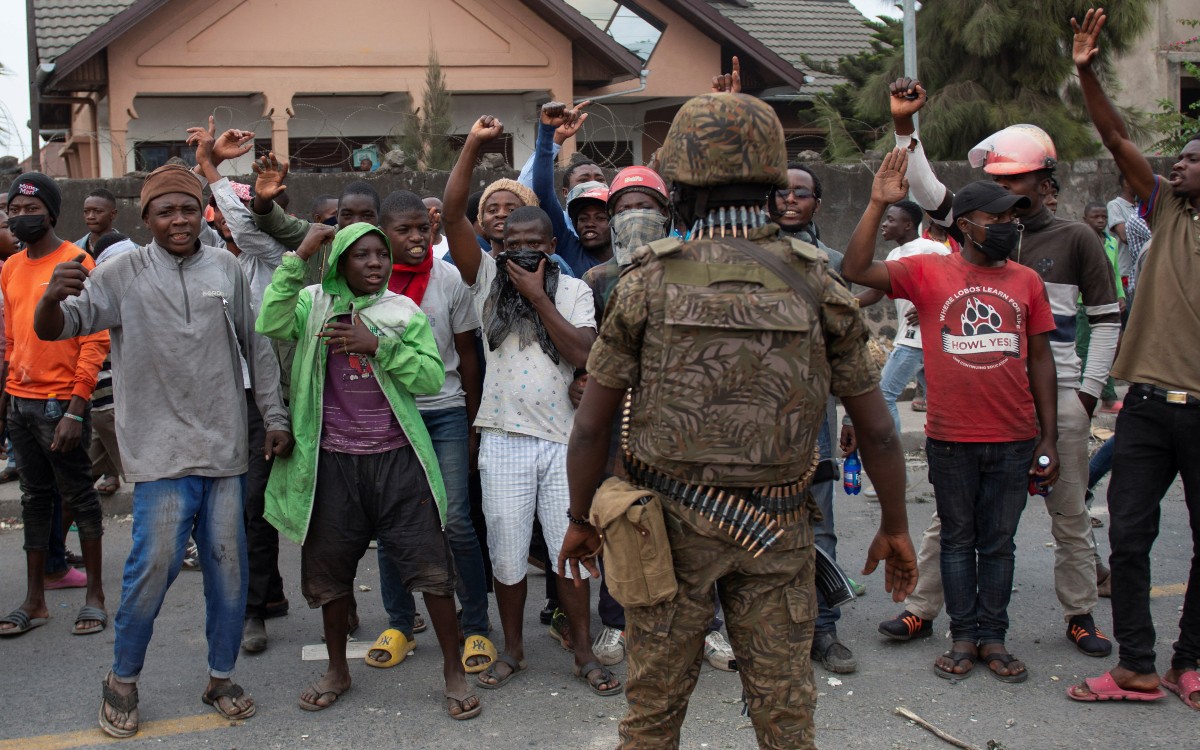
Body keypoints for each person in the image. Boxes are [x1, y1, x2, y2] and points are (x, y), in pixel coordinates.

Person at [560, 92, 917, 749]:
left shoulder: (645, 283)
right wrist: (895, 525)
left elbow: (588, 427)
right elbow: (878, 428)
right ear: (775, 182)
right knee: (786, 722)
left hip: (664, 528)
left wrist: (581, 520)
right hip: (776, 529)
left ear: (683, 188)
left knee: (651, 719)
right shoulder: (818, 282)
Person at [34, 163, 292, 737]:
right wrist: (51, 298)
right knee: (151, 570)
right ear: (145, 217)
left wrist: (274, 416)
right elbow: (59, 328)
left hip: (224, 448)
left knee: (229, 573)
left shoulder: (225, 267)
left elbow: (259, 347)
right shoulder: (119, 271)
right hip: (159, 452)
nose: (178, 220)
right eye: (164, 211)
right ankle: (122, 680)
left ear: (202, 211)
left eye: (186, 209)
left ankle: (220, 676)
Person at [877, 79, 1118, 659]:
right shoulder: (974, 225)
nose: (1008, 191)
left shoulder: (1077, 239)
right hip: (980, 398)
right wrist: (905, 128)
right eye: (1000, 181)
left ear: (1045, 182)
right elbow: (922, 183)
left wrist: (1084, 395)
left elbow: (1107, 319)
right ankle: (922, 610)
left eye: (1017, 181)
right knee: (951, 519)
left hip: (1055, 389)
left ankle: (1079, 613)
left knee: (1068, 511)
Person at [843, 152, 1059, 683]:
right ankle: (963, 636)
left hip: (1014, 438)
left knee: (1000, 544)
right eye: (1000, 218)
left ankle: (994, 638)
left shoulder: (1027, 280)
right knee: (959, 540)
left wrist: (1048, 435)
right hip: (950, 438)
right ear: (967, 225)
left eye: (1014, 218)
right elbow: (853, 269)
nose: (1010, 226)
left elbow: (1039, 359)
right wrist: (876, 204)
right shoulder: (926, 270)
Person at [255, 220, 480, 719]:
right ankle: (338, 669)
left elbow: (427, 377)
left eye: (381, 254)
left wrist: (376, 345)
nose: (375, 262)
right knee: (330, 574)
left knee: (432, 570)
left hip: (399, 460)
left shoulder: (402, 311)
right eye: (362, 255)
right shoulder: (313, 302)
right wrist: (298, 257)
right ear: (338, 261)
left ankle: (453, 671)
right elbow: (270, 322)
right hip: (332, 463)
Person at [443, 115, 614, 696]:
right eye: (513, 247)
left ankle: (584, 651)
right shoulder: (487, 281)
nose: (523, 256)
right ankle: (513, 650)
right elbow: (449, 216)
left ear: (552, 246)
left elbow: (586, 352)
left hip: (565, 445)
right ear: (497, 247)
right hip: (504, 442)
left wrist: (539, 296)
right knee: (509, 553)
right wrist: (472, 145)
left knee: (573, 553)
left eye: (536, 247)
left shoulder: (571, 288)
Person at [1067, 8, 1200, 708]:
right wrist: (1086, 72)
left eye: (1193, 157)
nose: (1180, 163)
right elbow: (1117, 136)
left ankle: (1192, 662)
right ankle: (1138, 667)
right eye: (1179, 158)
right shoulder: (1166, 208)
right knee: (1128, 539)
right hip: (1147, 404)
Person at [362, 190, 495, 679]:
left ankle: (476, 622)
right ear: (382, 232)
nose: (418, 238)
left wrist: (472, 421)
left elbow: (468, 356)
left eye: (424, 228)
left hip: (444, 413)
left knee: (456, 520)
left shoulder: (450, 281)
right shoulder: (365, 284)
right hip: (390, 415)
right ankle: (400, 622)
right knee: (393, 524)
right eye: (405, 230)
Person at [186, 118, 294, 652]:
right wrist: (204, 165)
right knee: (239, 505)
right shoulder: (206, 259)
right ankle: (264, 598)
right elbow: (176, 213)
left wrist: (213, 169)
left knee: (280, 503)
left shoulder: (272, 258)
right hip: (227, 401)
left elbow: (248, 226)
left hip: (278, 399)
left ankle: (288, 604)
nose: (232, 226)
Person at [0, 173, 110, 639]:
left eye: (31, 210)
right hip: (20, 403)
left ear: (51, 212)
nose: (22, 218)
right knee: (34, 500)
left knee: (80, 496)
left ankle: (95, 597)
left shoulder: (77, 262)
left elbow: (94, 339)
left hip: (59, 402)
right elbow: (10, 341)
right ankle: (35, 600)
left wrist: (75, 407)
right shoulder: (9, 267)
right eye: (15, 211)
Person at [770, 160, 862, 673]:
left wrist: (848, 411)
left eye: (800, 194)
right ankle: (767, 628)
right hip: (754, 417)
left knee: (818, 518)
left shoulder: (832, 263)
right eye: (781, 192)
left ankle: (822, 630)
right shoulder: (745, 255)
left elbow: (847, 347)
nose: (789, 200)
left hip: (815, 413)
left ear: (816, 205)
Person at [855, 200, 950, 435]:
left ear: (908, 225)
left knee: (884, 396)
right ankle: (953, 446)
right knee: (941, 403)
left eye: (890, 219)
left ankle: (892, 458)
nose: (884, 224)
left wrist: (930, 306)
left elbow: (958, 282)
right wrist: (839, 302)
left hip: (916, 340)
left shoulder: (931, 248)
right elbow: (876, 293)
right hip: (915, 340)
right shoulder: (895, 254)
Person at [87, 233, 131, 498]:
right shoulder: (104, 297)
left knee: (82, 476)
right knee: (146, 478)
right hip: (111, 404)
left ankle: (52, 535)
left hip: (107, 404)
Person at [1077, 201, 1124, 412]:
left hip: (1108, 302)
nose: (1101, 220)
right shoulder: (1079, 242)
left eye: (1104, 217)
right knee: (1085, 350)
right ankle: (1086, 396)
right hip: (1083, 305)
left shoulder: (1111, 243)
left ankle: (1108, 396)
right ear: (1084, 220)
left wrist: (1120, 295)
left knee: (1109, 349)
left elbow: (1113, 272)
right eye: (1095, 217)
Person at [76, 188, 119, 258]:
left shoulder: (131, 250)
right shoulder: (74, 250)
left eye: (98, 211)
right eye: (86, 211)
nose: (90, 216)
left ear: (113, 214)